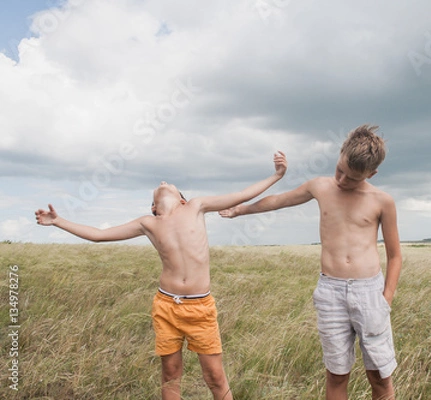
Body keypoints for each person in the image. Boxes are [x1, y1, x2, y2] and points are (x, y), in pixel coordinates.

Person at [35, 151, 287, 400]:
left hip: (200, 308)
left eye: (170, 185)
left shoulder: (197, 207)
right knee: (170, 375)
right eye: (159, 186)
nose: (163, 183)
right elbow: (99, 235)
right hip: (166, 306)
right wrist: (59, 222)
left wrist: (276, 176)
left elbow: (242, 195)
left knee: (215, 377)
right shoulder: (148, 223)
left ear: (183, 200)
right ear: (153, 206)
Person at [220, 125, 401, 400]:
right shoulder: (320, 186)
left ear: (371, 174)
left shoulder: (382, 201)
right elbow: (279, 201)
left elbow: (395, 255)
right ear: (340, 154)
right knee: (337, 373)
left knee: (379, 375)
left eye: (352, 179)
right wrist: (239, 210)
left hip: (370, 293)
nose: (341, 180)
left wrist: (386, 297)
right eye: (339, 170)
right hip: (331, 292)